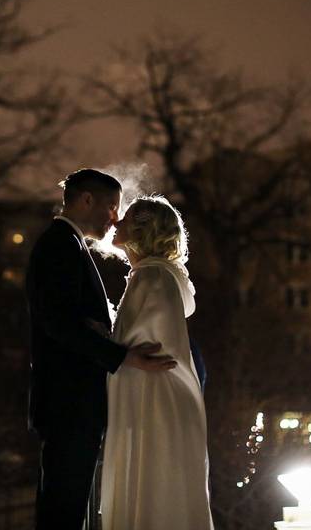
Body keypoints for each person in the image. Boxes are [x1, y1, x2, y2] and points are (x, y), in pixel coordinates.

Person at [26, 169, 177, 530]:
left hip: (71, 401)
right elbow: (58, 323)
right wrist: (123, 356)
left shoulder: (67, 244)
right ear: (86, 200)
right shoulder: (60, 245)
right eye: (112, 206)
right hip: (69, 401)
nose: (115, 218)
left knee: (67, 504)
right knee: (63, 507)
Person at [100, 195, 214, 530]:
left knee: (151, 484)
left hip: (153, 400)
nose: (116, 223)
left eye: (126, 219)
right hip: (159, 399)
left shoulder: (150, 277)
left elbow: (138, 344)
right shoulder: (156, 277)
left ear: (141, 229)